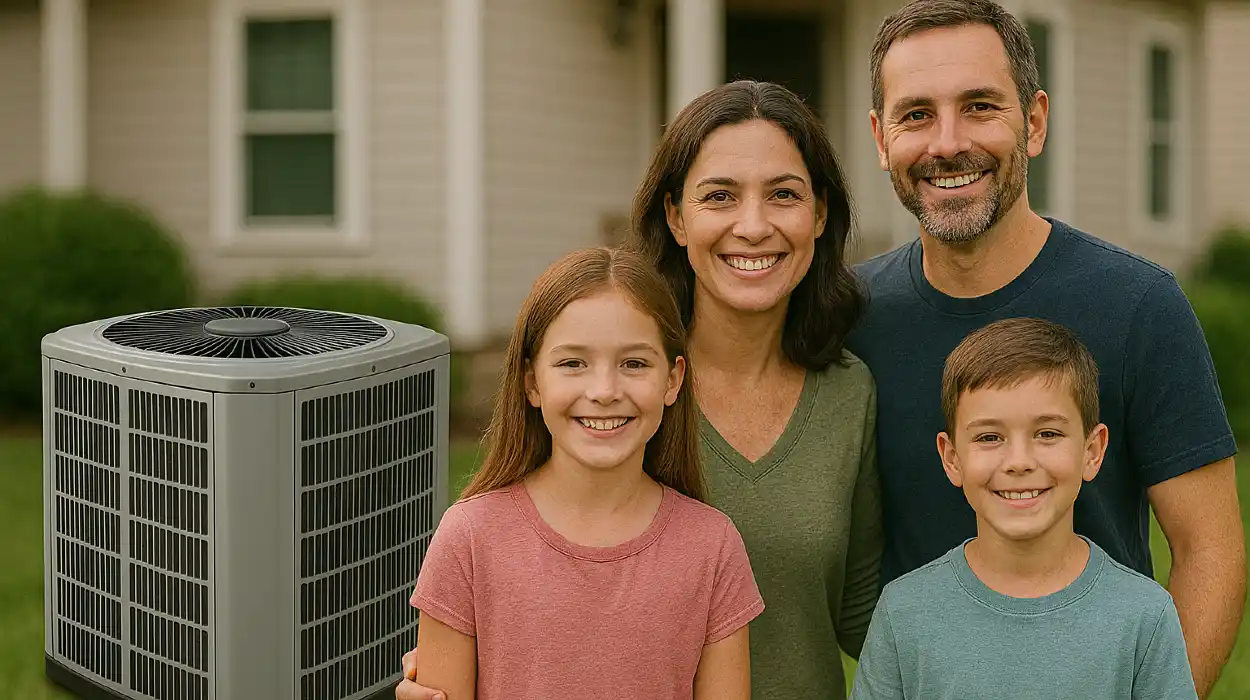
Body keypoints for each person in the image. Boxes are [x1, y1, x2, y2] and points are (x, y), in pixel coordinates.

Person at [400, 81, 882, 700]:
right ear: (676, 217)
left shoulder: (849, 391)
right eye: (720, 196)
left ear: (819, 214)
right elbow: (517, 564)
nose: (754, 225)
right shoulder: (620, 391)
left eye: (784, 195)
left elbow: (866, 615)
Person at [844, 0, 1245, 695]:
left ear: (1033, 122)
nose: (946, 143)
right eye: (916, 115)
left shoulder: (1139, 305)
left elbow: (1209, 548)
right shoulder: (847, 319)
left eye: (978, 106)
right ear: (881, 138)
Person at [399, 246, 764, 699]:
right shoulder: (470, 538)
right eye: (573, 363)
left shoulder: (713, 547)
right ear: (532, 381)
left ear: (672, 381)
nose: (604, 391)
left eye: (634, 363)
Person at [848, 317, 1199, 700]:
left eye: (1047, 433)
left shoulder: (1144, 617)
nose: (1019, 461)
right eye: (989, 437)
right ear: (952, 459)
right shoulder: (904, 614)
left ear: (1092, 451)